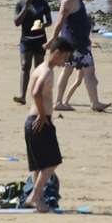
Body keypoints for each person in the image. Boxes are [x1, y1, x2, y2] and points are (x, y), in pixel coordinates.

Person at [24, 36, 74, 212]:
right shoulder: (46, 71)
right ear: (57, 53)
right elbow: (36, 92)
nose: (65, 61)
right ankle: (35, 196)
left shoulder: (40, 68)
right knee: (52, 162)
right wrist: (43, 115)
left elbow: (34, 92)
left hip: (31, 120)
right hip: (39, 120)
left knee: (39, 164)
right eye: (65, 57)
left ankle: (39, 200)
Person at [52, 0, 109, 112]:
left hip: (77, 42)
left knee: (69, 71)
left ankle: (60, 101)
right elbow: (60, 20)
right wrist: (53, 40)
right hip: (76, 44)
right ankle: (93, 103)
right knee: (88, 72)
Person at [13, 0, 52, 103]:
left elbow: (49, 21)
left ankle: (38, 94)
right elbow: (17, 22)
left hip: (40, 39)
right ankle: (22, 96)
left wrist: (41, 25)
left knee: (38, 67)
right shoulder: (20, 4)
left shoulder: (43, 4)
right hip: (26, 40)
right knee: (25, 66)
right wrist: (26, 7)